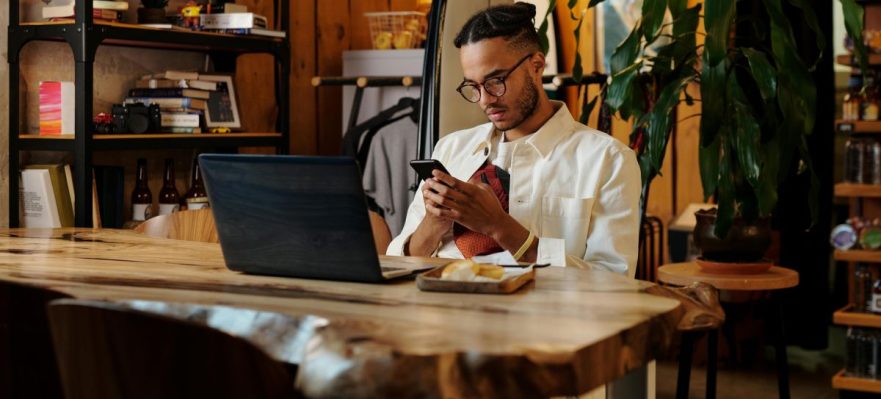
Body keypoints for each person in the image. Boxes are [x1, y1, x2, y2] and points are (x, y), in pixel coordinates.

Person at [386, 3, 641, 276]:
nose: (484, 100)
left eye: (496, 81)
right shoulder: (451, 149)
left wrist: (499, 226)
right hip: (438, 307)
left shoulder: (608, 160)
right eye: (473, 86)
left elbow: (613, 282)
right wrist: (433, 224)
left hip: (541, 317)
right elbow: (398, 263)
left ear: (536, 66)